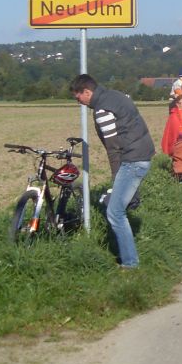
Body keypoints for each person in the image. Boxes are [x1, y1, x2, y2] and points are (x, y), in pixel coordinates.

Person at [71, 74, 154, 269]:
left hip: (131, 160)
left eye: (78, 97)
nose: (78, 101)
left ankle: (130, 263)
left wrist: (117, 177)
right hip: (143, 153)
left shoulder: (102, 110)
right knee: (119, 207)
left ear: (87, 92)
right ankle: (129, 259)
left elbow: (113, 148)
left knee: (115, 212)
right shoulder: (115, 95)